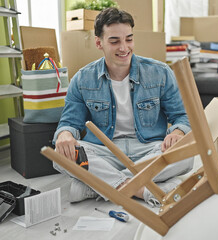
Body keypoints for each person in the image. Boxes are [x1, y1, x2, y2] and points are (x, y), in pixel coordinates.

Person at [53, 7, 193, 207]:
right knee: (60, 156)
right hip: (104, 151)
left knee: (187, 154)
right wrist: (64, 135)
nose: (124, 48)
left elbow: (182, 116)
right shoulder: (82, 78)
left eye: (129, 39)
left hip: (149, 148)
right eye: (115, 41)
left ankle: (95, 187)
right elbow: (69, 122)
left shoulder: (160, 72)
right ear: (98, 42)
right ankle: (138, 189)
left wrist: (178, 133)